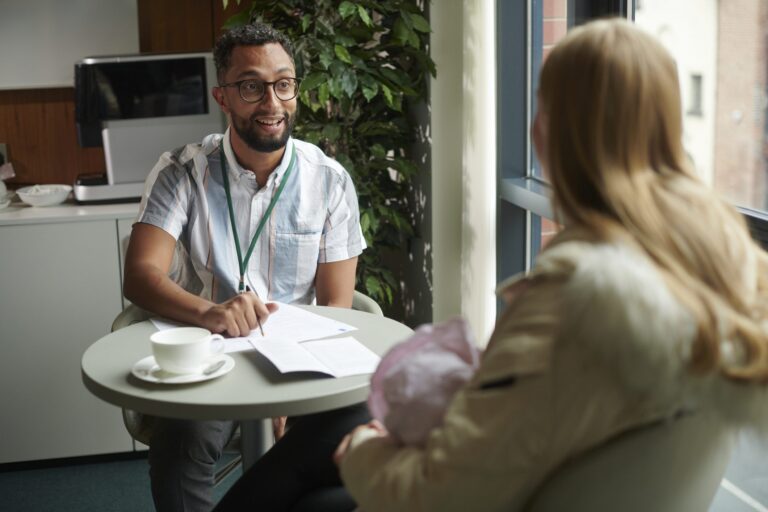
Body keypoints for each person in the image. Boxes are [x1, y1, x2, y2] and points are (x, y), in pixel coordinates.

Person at [216, 18, 768, 511]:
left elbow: (441, 493)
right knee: (328, 429)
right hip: (547, 476)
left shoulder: (581, 297)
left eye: (540, 107)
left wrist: (365, 452)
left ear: (553, 134)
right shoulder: (719, 264)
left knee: (314, 478)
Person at [122, 22, 367, 512]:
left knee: (357, 432)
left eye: (284, 84)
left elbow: (339, 307)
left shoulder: (329, 181)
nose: (272, 102)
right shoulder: (181, 173)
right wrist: (211, 313)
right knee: (183, 435)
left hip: (299, 359)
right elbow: (141, 276)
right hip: (210, 356)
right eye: (252, 87)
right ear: (224, 97)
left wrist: (293, 397)